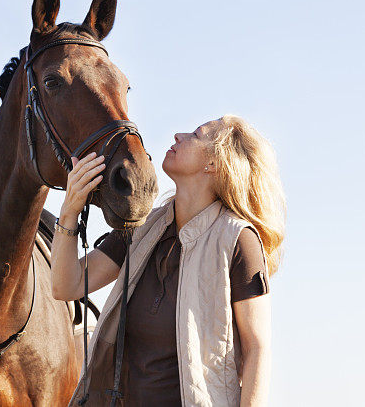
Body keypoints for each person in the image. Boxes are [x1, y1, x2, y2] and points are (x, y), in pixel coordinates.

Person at [50, 115, 285, 407]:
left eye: (196, 135)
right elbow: (66, 285)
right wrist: (71, 208)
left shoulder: (238, 240)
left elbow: (256, 350)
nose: (178, 135)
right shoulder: (141, 227)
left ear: (214, 164)